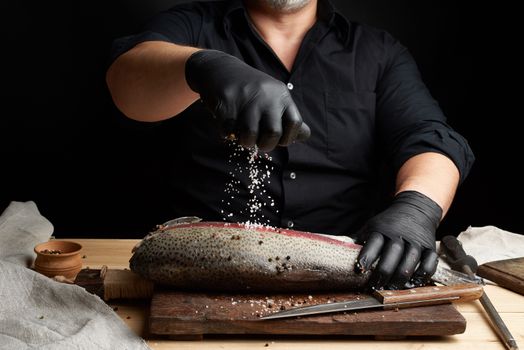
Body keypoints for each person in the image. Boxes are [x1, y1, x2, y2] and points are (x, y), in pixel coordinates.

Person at [106, 0, 474, 290]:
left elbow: (430, 137)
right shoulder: (192, 26)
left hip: (348, 276)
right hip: (198, 271)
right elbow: (126, 84)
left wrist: (417, 207)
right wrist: (202, 66)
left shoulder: (378, 52)